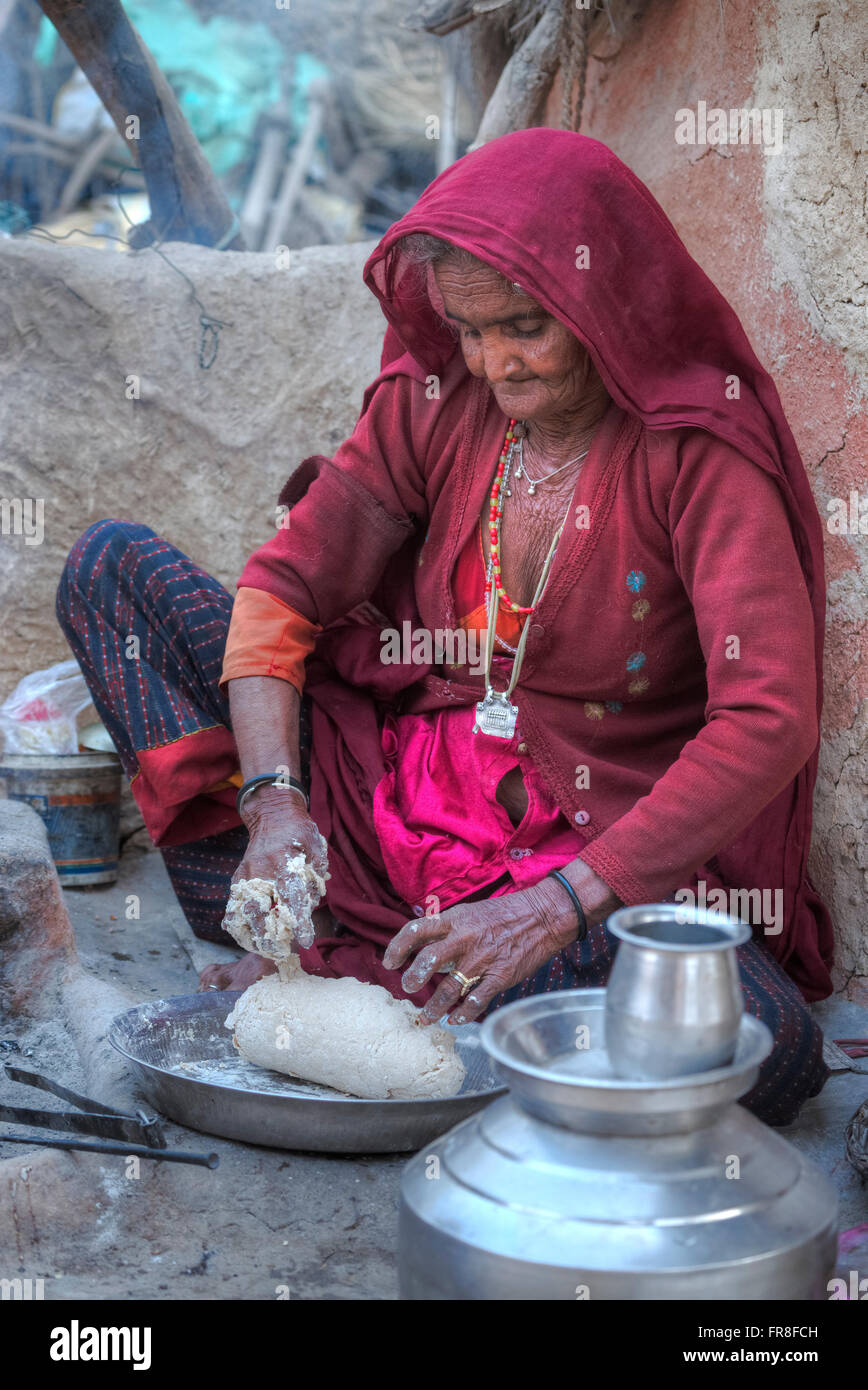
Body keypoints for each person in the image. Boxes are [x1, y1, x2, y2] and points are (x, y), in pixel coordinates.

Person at [57, 130, 834, 1125]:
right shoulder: (438, 398)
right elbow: (284, 588)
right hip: (379, 808)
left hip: (581, 857)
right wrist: (275, 806)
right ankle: (294, 930)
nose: (491, 362)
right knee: (113, 569)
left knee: (765, 1052)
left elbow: (766, 719)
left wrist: (553, 908)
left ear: (600, 306)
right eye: (467, 330)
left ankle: (381, 978)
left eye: (522, 328)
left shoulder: (699, 456)